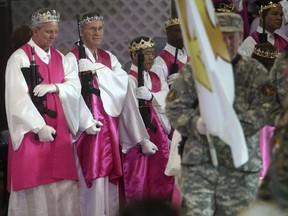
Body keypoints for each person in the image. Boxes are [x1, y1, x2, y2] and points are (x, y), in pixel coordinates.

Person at [165, 5, 275, 216]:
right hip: (201, 163)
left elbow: (266, 106)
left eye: (232, 37)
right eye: (222, 37)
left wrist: (234, 125)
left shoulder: (253, 71)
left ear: (240, 36)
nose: (228, 42)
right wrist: (196, 123)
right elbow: (174, 106)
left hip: (240, 164)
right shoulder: (195, 71)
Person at [5, 8, 82, 216]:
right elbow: (17, 97)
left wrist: (56, 87)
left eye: (55, 32)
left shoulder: (59, 57)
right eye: (48, 32)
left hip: (60, 134)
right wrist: (38, 126)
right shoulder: (19, 58)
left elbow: (75, 86)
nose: (53, 37)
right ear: (35, 31)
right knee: (35, 187)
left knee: (63, 188)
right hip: (33, 136)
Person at [66, 11, 128, 216]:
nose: (97, 33)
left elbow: (122, 82)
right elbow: (69, 95)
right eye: (92, 29)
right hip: (88, 128)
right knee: (91, 177)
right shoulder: (71, 58)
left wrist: (97, 69)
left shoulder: (108, 57)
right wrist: (85, 121)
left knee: (108, 179)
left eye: (100, 28)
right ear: (82, 32)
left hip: (109, 126)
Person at [119, 36, 174, 204]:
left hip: (160, 138)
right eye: (147, 54)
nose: (151, 57)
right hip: (141, 143)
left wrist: (152, 97)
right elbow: (129, 113)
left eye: (152, 53)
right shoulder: (129, 79)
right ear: (135, 56)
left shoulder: (156, 77)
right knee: (141, 184)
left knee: (161, 183)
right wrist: (143, 141)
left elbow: (169, 100)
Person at [151, 17, 188, 87]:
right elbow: (158, 93)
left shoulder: (190, 56)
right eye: (179, 31)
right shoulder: (159, 64)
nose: (183, 34)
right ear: (169, 34)